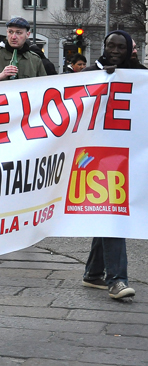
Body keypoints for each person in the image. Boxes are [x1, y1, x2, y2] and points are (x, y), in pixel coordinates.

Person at [80, 30, 144, 300]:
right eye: (110, 46)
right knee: (112, 212)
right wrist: (100, 78)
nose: (114, 51)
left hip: (128, 156)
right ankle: (117, 280)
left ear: (130, 50)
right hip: (96, 156)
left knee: (106, 211)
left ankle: (93, 273)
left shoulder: (140, 77)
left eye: (121, 47)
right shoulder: (89, 75)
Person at [0, 17, 47, 83]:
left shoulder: (34, 59)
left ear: (27, 34)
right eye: (10, 32)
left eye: (19, 33)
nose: (13, 37)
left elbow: (44, 85)